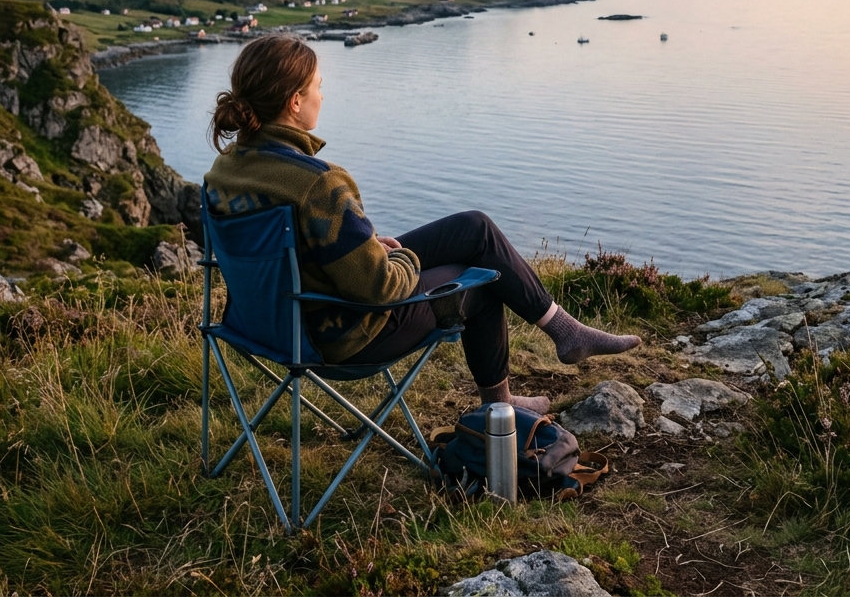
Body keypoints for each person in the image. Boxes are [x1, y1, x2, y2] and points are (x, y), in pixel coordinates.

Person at [204, 34, 641, 413]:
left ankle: (564, 331)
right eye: (319, 86)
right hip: (344, 335)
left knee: (475, 228)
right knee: (485, 280)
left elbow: (295, 250)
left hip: (267, 325)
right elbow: (380, 289)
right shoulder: (318, 184)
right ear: (294, 101)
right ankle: (502, 402)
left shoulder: (222, 174)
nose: (323, 95)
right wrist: (398, 257)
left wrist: (371, 246)